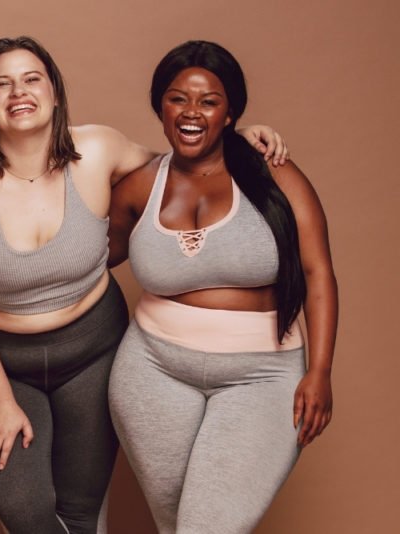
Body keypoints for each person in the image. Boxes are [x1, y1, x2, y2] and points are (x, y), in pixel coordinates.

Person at [0, 36, 287, 534]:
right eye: (1, 84)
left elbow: (178, 162)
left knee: (80, 510)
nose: (18, 93)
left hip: (94, 352)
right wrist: (1, 401)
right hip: (4, 366)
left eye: (32, 79)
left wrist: (239, 140)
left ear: (54, 92)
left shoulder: (97, 149)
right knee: (26, 515)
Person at [107, 40, 337, 533]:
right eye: (177, 99)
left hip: (263, 377)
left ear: (230, 111)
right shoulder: (139, 186)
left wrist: (319, 371)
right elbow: (84, 262)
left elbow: (319, 272)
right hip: (151, 372)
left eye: (208, 101)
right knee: (176, 526)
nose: (191, 113)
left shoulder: (273, 173)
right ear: (160, 107)